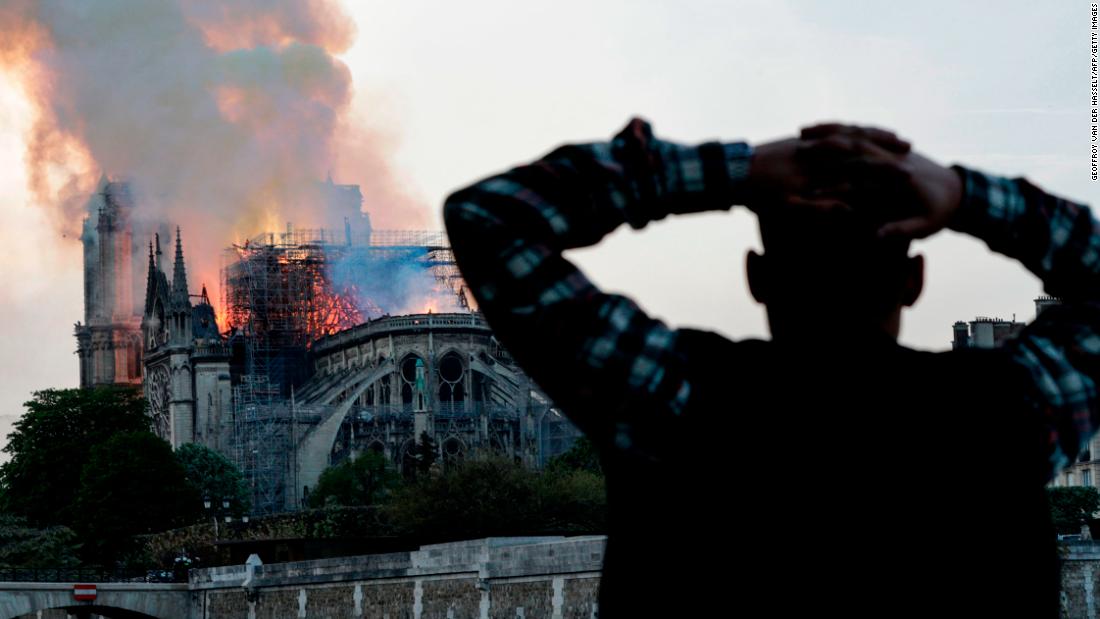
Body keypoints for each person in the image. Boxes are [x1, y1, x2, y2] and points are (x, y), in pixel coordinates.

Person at [443, 119, 1098, 616]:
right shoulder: (1006, 412)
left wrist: (737, 171)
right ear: (914, 280)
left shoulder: (672, 395)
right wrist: (962, 195)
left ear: (756, 276)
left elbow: (491, 217)